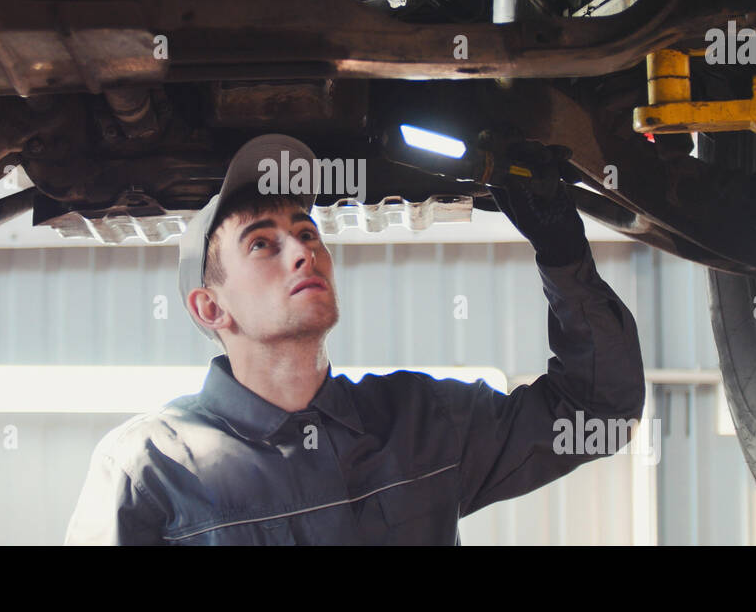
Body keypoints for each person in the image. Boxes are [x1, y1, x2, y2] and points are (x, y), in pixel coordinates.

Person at [65, 133, 645, 544]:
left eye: (307, 232)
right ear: (210, 306)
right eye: (262, 244)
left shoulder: (421, 421)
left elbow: (599, 414)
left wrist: (564, 255)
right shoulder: (151, 469)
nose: (302, 251)